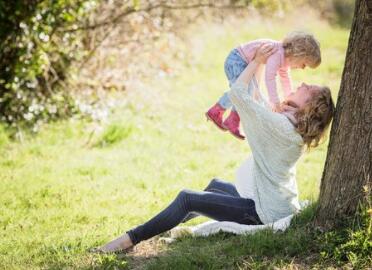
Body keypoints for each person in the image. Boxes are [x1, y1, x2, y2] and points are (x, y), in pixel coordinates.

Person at [91, 44, 334, 254]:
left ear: (309, 106)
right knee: (215, 185)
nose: (302, 83)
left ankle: (129, 240)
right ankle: (158, 228)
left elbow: (239, 94)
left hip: (264, 213)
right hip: (276, 203)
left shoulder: (280, 127)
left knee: (188, 198)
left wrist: (257, 61)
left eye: (309, 88)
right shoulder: (290, 125)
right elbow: (260, 101)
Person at [206, 31, 321, 140]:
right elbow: (269, 78)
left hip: (243, 63)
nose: (302, 68)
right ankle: (218, 109)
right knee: (242, 91)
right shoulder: (277, 53)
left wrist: (288, 96)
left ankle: (233, 119)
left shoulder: (284, 58)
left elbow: (285, 78)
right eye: (304, 64)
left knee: (247, 92)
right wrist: (275, 102)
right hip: (236, 61)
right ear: (299, 54)